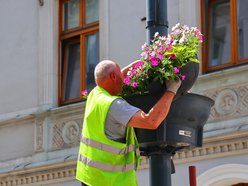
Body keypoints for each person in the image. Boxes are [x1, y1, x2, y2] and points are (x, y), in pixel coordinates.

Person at [76, 60, 181, 186]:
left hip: (90, 178)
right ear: (113, 77)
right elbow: (151, 121)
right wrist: (172, 90)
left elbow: (117, 75)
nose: (123, 79)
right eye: (120, 77)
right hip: (111, 181)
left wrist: (141, 64)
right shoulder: (115, 105)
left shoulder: (95, 95)